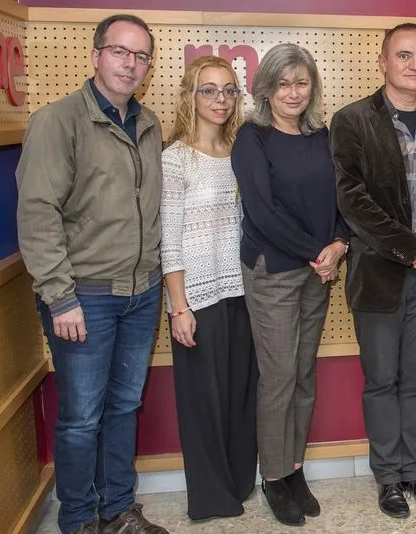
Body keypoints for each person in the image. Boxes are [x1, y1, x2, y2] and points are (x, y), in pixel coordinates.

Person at [16, 14, 168, 534]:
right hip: (85, 297)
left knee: (124, 407)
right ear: (96, 55)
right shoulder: (58, 121)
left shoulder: (147, 124)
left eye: (141, 56)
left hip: (141, 292)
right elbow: (37, 214)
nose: (131, 64)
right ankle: (79, 520)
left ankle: (118, 510)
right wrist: (60, 298)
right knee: (82, 417)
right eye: (120, 51)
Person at [330, 22, 416, 519]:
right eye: (404, 56)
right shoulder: (352, 121)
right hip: (379, 274)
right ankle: (387, 477)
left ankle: (412, 470)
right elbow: (353, 200)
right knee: (382, 379)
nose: (415, 65)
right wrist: (412, 248)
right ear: (382, 62)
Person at [232, 43, 348, 526]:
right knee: (278, 378)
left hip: (318, 269)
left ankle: (295, 467)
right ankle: (274, 477)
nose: (293, 92)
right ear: (266, 90)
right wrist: (314, 252)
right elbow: (261, 212)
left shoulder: (322, 136)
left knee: (302, 374)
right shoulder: (252, 138)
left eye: (302, 83)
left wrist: (339, 244)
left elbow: (344, 197)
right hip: (274, 271)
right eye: (283, 83)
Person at [161, 55, 257, 521]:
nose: (220, 99)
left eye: (228, 90)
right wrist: (178, 307)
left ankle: (241, 482)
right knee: (204, 400)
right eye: (208, 89)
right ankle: (212, 497)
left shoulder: (242, 152)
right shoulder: (175, 158)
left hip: (242, 292)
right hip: (196, 296)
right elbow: (170, 241)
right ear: (190, 96)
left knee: (240, 393)